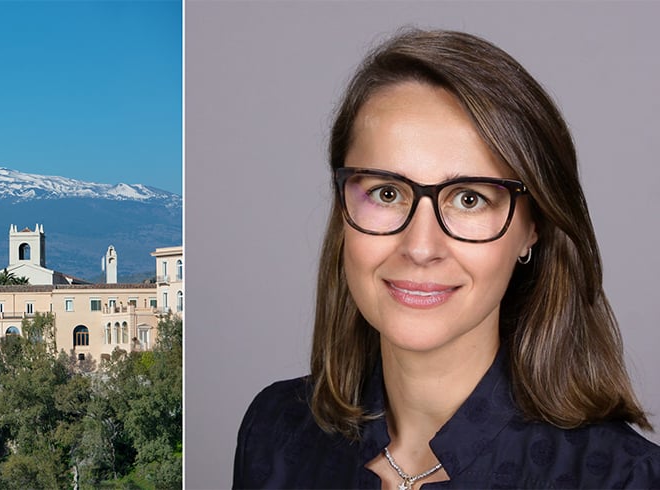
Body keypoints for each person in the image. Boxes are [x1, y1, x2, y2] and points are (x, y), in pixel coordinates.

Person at [233, 28, 660, 489]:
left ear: (533, 226)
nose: (420, 247)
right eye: (387, 192)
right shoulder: (276, 432)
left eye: (470, 199)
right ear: (342, 211)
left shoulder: (624, 479)